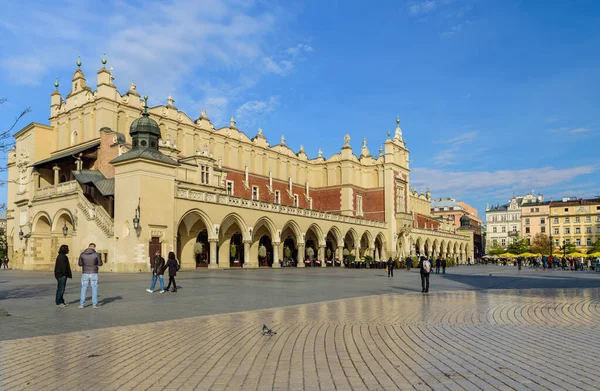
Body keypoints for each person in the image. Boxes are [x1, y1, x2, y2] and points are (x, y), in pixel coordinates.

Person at [78, 243, 103, 308]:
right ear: (94, 247)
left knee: (84, 288)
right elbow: (100, 264)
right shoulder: (96, 254)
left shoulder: (82, 254)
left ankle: (81, 304)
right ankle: (94, 304)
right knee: (94, 288)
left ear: (88, 247)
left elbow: (80, 264)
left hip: (85, 272)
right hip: (94, 272)